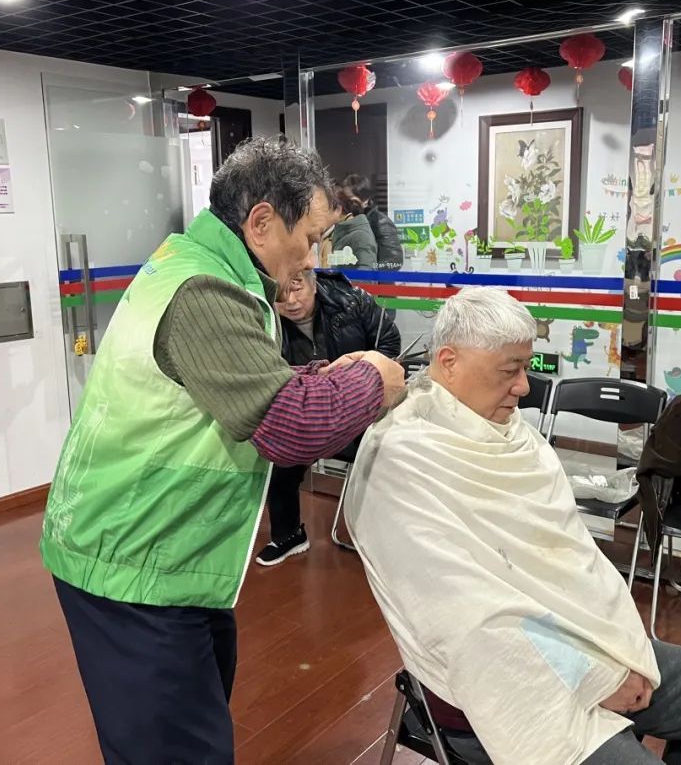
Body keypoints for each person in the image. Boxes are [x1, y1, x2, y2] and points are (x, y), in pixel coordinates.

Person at [40, 136, 406, 764]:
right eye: (309, 238)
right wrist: (375, 377)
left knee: (188, 732)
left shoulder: (199, 264)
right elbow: (289, 428)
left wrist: (316, 378)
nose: (312, 258)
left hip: (168, 553)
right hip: (132, 558)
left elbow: (233, 384)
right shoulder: (203, 290)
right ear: (261, 222)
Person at [344, 287, 681, 765]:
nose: (524, 387)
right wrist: (593, 676)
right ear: (449, 362)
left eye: (526, 367)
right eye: (509, 370)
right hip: (501, 681)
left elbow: (573, 560)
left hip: (581, 637)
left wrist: (617, 652)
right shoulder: (401, 457)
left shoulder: (515, 436)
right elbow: (467, 618)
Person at [255, 268, 401, 566]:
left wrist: (362, 376)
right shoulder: (266, 323)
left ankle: (385, 537)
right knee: (281, 463)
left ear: (314, 285)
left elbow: (389, 342)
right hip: (309, 414)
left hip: (363, 409)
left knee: (388, 460)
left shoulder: (352, 301)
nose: (290, 301)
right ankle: (288, 535)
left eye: (297, 288)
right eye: (282, 295)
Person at [341, 173, 404, 270]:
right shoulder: (346, 222)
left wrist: (368, 270)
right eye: (344, 201)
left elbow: (395, 261)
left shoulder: (380, 222)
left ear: (365, 200)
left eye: (352, 201)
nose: (347, 206)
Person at [327, 186, 379, 270]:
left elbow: (366, 273)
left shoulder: (361, 236)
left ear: (338, 209)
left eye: (325, 209)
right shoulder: (340, 232)